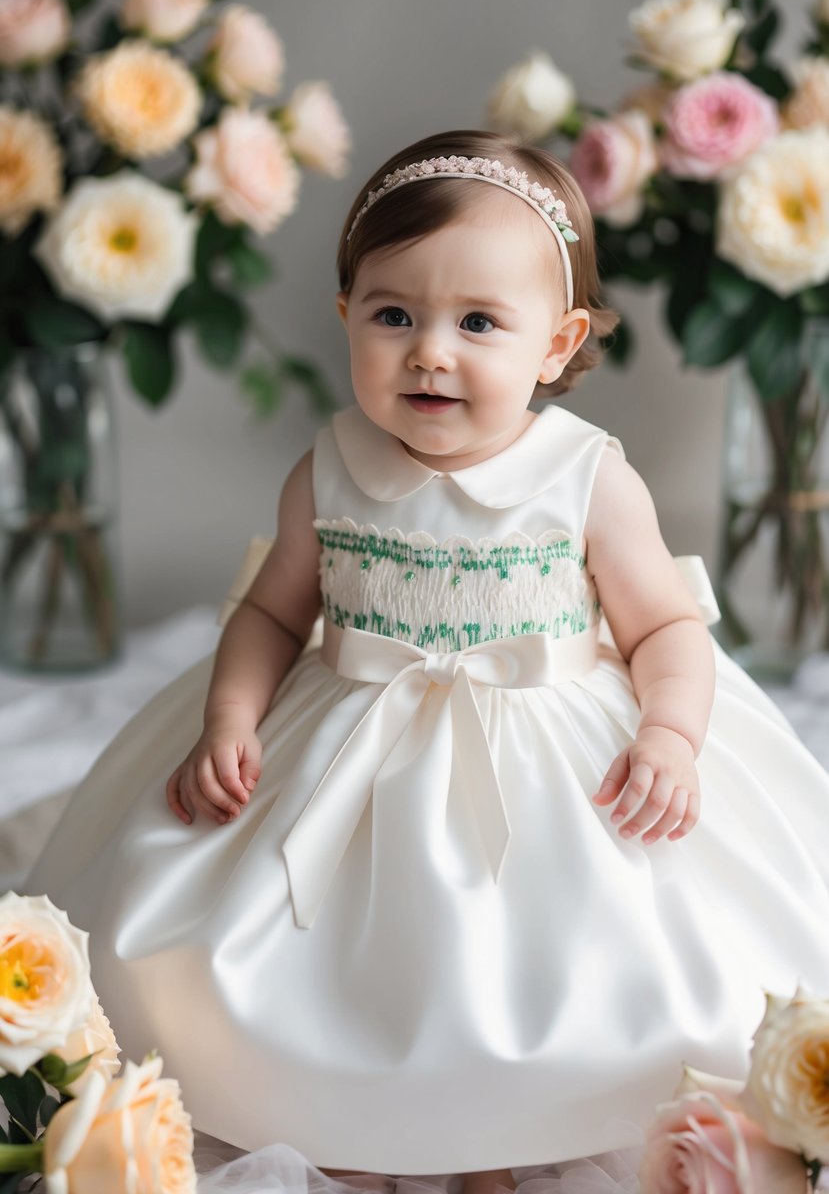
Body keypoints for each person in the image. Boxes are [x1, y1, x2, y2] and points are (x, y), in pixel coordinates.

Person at [26, 129, 829, 1193]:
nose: (429, 351)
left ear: (557, 340)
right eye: (393, 313)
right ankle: (322, 1088)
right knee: (235, 944)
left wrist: (670, 735)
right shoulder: (330, 467)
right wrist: (229, 717)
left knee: (582, 945)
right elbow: (272, 614)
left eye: (478, 322)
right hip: (349, 736)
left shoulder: (584, 476)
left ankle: (533, 1105)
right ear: (347, 313)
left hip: (553, 756)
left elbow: (667, 629)